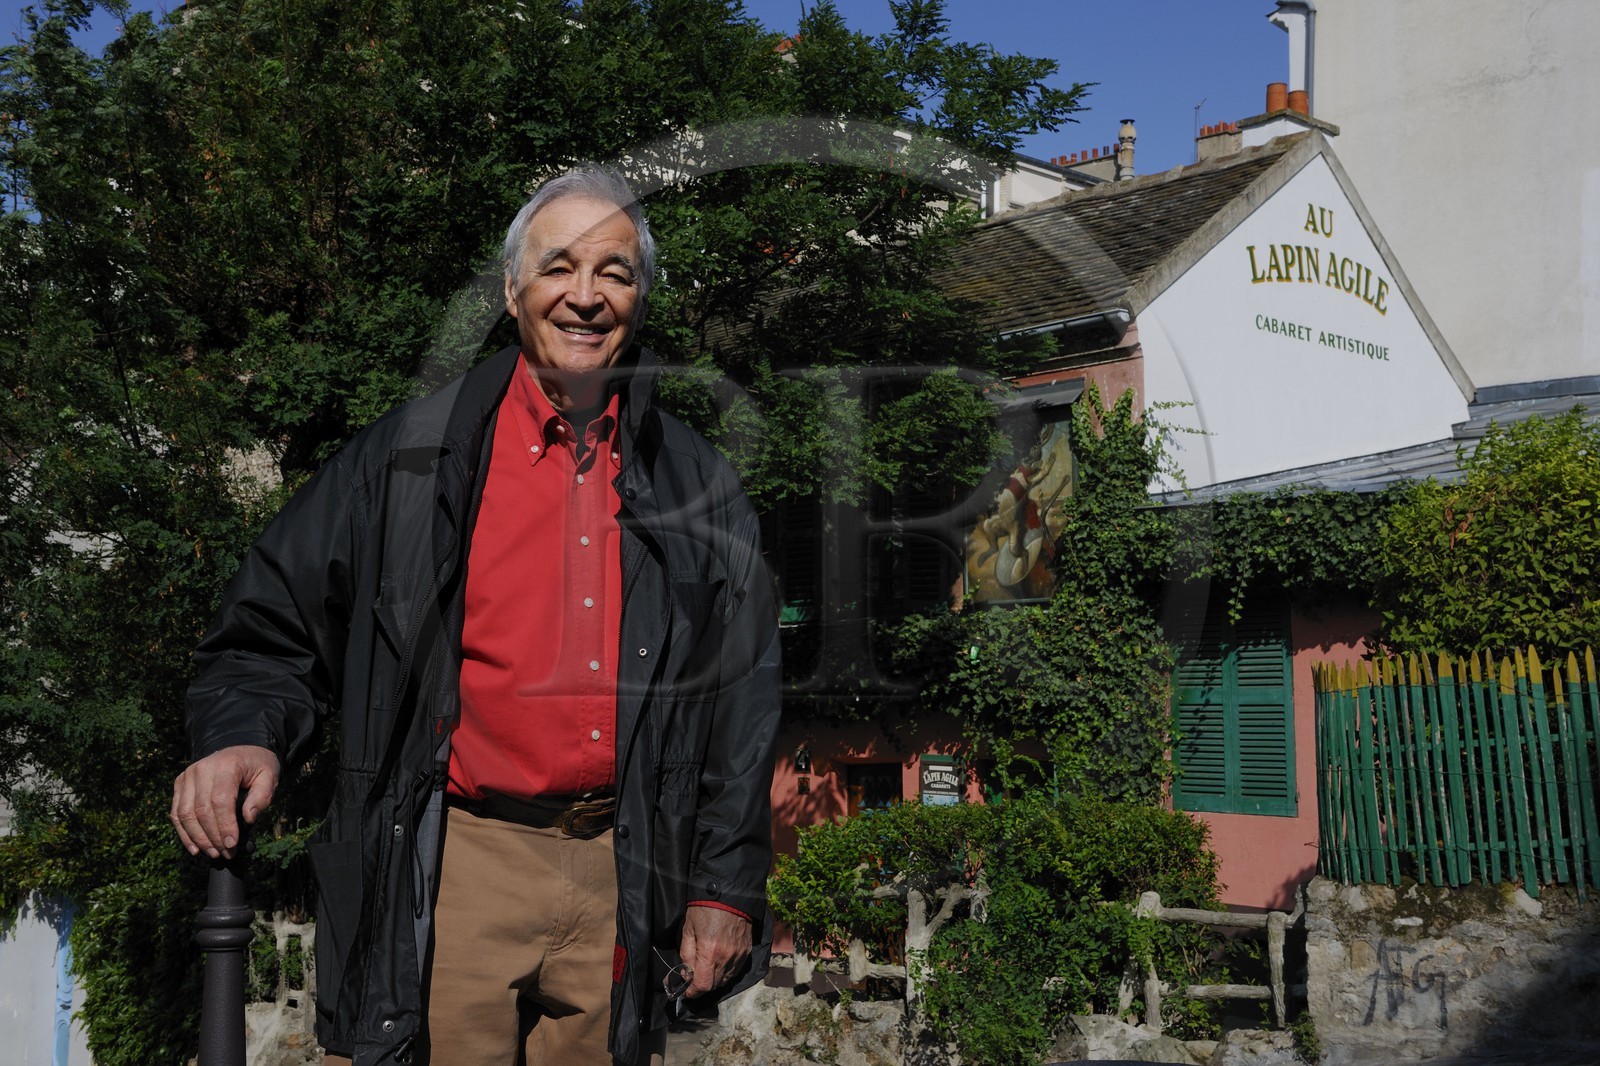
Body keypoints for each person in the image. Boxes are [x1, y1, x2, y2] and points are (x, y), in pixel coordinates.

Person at [170, 165, 782, 1066]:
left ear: (640, 298)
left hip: (626, 868)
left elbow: (743, 698)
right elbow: (269, 628)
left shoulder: (698, 480)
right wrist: (241, 736)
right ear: (510, 289)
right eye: (558, 267)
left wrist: (723, 887)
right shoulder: (408, 459)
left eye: (613, 273)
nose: (585, 296)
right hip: (456, 862)